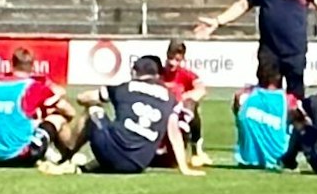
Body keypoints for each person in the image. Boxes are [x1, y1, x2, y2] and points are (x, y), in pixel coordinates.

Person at [40, 55, 201, 176]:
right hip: (139, 163)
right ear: (157, 75)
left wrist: (83, 100)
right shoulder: (170, 98)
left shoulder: (125, 87)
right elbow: (174, 133)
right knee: (121, 138)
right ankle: (84, 167)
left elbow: (85, 98)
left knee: (94, 111)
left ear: (135, 72)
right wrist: (184, 168)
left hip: (113, 152)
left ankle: (65, 158)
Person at [0, 47, 73, 168]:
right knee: (57, 119)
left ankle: (49, 152)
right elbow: (70, 112)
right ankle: (69, 158)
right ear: (33, 65)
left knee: (26, 121)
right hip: (17, 157)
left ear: (12, 63)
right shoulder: (32, 87)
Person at [231, 54, 300, 170]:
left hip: (247, 160)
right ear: (279, 77)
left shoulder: (243, 96)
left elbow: (237, 116)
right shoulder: (287, 100)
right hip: (278, 160)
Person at [162, 39, 213, 168]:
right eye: (171, 58)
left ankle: (196, 151)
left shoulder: (186, 75)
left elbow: (201, 90)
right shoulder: (158, 73)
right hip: (160, 114)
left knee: (191, 105)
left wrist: (183, 97)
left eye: (177, 60)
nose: (173, 63)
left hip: (178, 117)